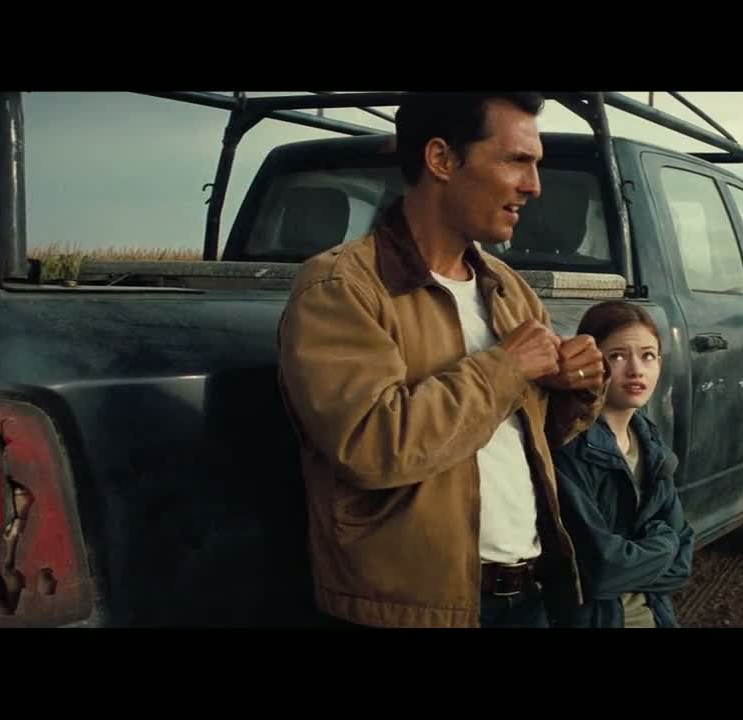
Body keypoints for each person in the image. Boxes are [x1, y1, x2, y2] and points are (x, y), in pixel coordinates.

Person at [275, 92, 606, 628]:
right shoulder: (342, 288)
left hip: (525, 597)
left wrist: (572, 385)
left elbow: (525, 439)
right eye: (516, 160)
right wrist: (506, 368)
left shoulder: (509, 289)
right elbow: (371, 447)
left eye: (535, 164)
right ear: (442, 159)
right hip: (410, 611)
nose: (534, 185)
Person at [547, 301, 695, 628]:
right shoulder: (570, 448)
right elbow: (601, 570)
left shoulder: (650, 443)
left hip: (654, 618)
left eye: (648, 356)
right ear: (591, 363)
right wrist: (665, 543)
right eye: (617, 356)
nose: (636, 370)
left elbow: (683, 562)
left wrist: (643, 555)